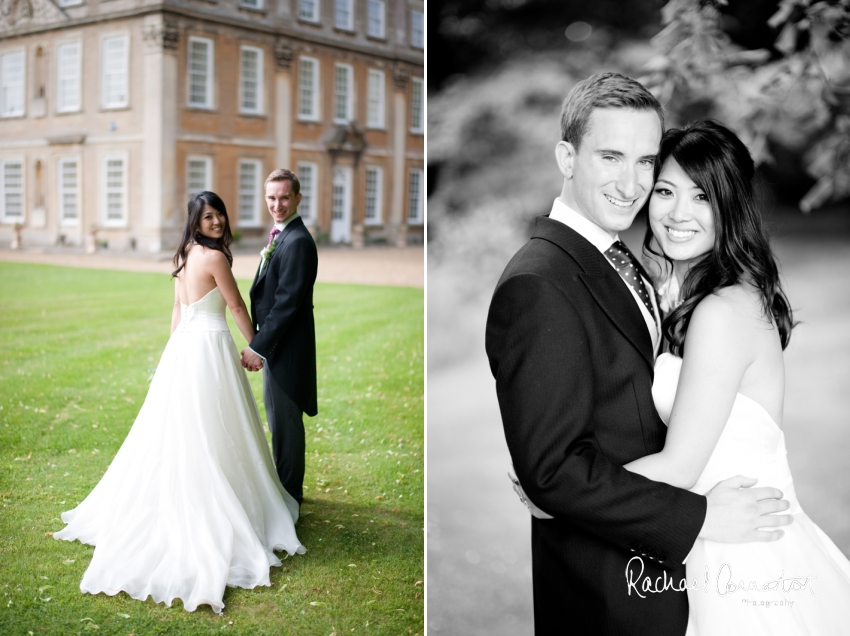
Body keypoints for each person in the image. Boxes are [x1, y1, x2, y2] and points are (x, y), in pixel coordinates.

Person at [485, 72, 793, 635]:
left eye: (646, 162)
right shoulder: (540, 284)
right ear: (567, 156)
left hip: (689, 559)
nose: (632, 184)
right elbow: (554, 469)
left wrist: (551, 489)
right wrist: (551, 485)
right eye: (611, 156)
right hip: (607, 584)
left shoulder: (636, 271)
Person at [620, 119, 850, 633]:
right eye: (665, 191)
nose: (677, 214)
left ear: (731, 205)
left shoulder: (723, 312)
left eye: (702, 196)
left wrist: (558, 490)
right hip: (715, 537)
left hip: (745, 557)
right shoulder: (706, 298)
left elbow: (679, 466)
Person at [53, 191, 305, 614]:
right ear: (196, 220)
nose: (217, 222)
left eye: (219, 215)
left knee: (187, 425)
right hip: (208, 347)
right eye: (208, 217)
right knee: (217, 425)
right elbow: (236, 305)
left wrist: (173, 350)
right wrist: (259, 345)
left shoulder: (185, 255)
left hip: (185, 347)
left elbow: (177, 308)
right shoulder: (214, 258)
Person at [240, 169, 318, 510]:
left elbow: (286, 304)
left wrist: (258, 347)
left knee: (285, 425)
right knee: (280, 422)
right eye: (271, 198)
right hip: (280, 348)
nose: (277, 204)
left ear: (298, 198)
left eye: (284, 197)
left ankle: (290, 498)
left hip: (287, 350)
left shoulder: (298, 242)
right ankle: (287, 492)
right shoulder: (280, 236)